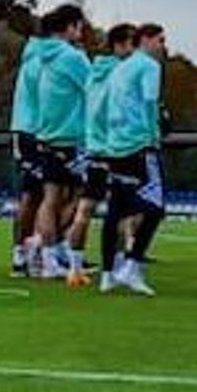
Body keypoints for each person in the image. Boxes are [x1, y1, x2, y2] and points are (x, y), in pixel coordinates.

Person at [99, 23, 168, 296]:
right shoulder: (149, 67)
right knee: (156, 207)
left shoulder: (120, 67)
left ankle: (107, 273)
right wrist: (154, 136)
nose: (163, 46)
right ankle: (131, 264)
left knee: (115, 209)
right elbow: (150, 103)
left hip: (115, 145)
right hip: (139, 144)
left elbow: (107, 106)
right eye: (160, 40)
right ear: (146, 40)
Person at [65, 23, 136, 286]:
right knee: (122, 211)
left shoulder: (94, 71)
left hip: (93, 146)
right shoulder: (121, 73)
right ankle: (116, 267)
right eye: (131, 44)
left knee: (85, 208)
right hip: (116, 147)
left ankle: (74, 268)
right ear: (119, 45)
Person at [33, 5, 91, 280]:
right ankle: (57, 247)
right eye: (78, 27)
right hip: (71, 135)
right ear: (69, 27)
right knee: (84, 194)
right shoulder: (72, 57)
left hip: (46, 133)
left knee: (50, 197)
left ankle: (47, 256)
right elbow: (93, 90)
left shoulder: (42, 55)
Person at [8, 22, 59, 277]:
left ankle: (27, 251)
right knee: (35, 194)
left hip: (32, 131)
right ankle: (29, 251)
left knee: (36, 193)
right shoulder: (41, 63)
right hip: (34, 132)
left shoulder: (34, 59)